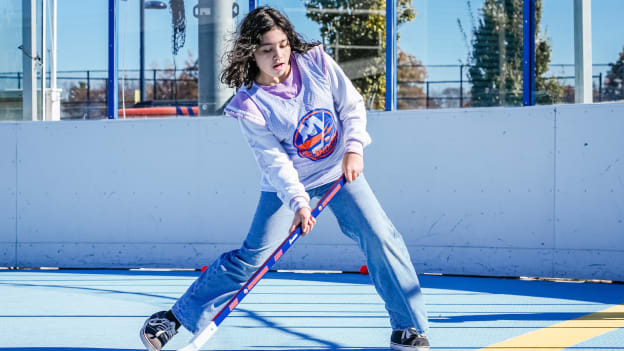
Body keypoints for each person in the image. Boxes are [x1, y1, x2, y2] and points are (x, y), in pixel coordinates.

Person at [140, 6, 429, 351]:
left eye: (282, 45)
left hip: (339, 173)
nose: (278, 55)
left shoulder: (315, 63)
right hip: (288, 187)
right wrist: (299, 202)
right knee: (252, 259)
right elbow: (275, 163)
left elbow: (350, 104)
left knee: (381, 238)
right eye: (267, 49)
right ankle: (175, 317)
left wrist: (354, 149)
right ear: (252, 54)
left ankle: (408, 327)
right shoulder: (250, 103)